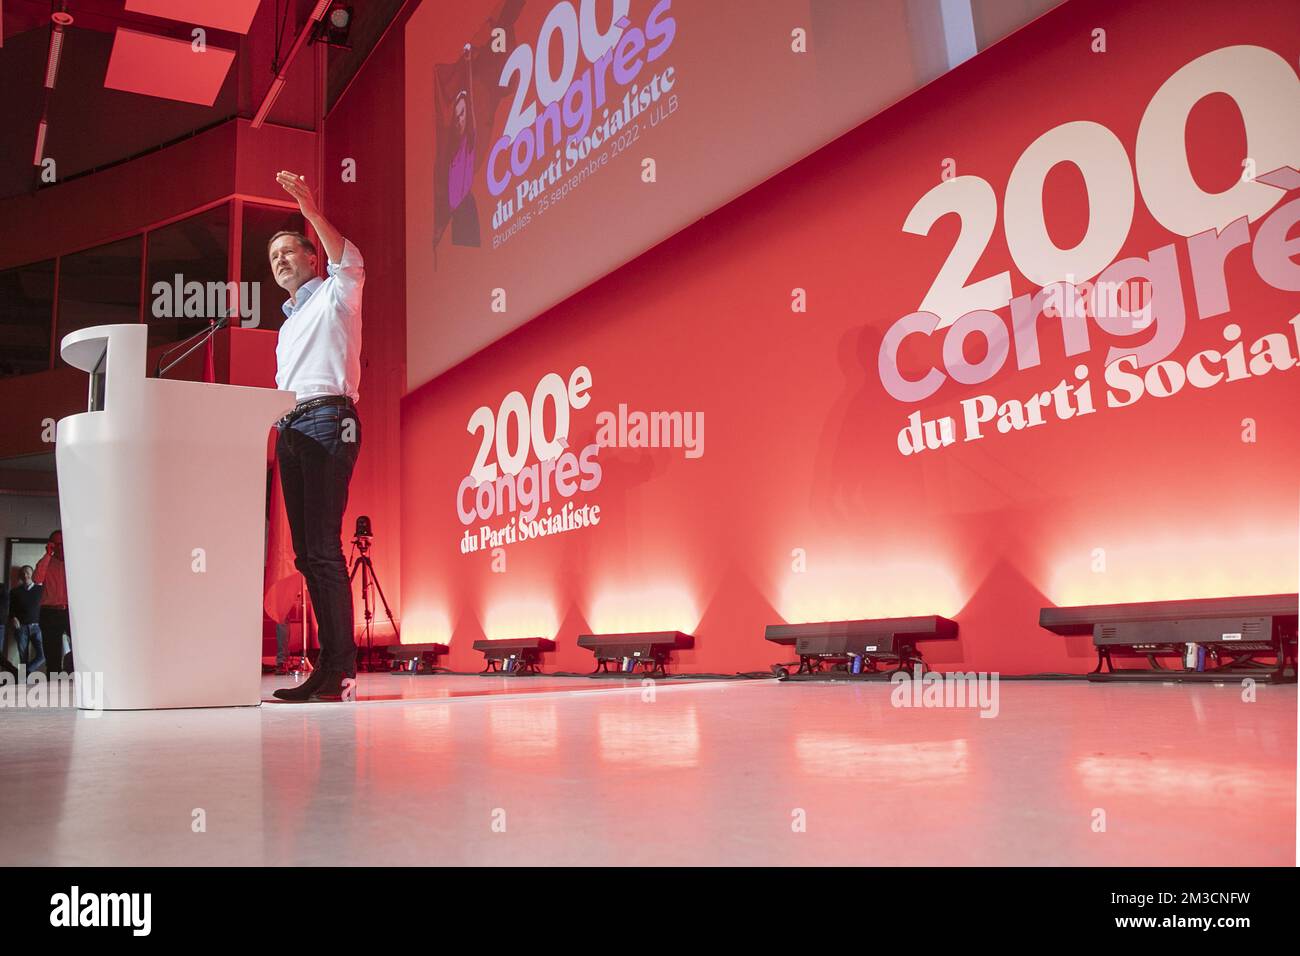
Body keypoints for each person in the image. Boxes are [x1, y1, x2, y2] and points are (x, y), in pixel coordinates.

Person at [267, 170, 362, 703]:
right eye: (272, 256)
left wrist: (309, 208)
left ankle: (340, 671)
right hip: (292, 428)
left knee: (323, 548)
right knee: (306, 554)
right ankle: (328, 667)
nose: (279, 260)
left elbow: (349, 258)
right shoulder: (284, 326)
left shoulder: (337, 293)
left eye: (288, 251)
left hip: (330, 419)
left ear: (312, 258)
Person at [33, 531, 71, 674]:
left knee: (83, 650)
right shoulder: (46, 562)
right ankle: (53, 690)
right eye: (57, 544)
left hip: (71, 612)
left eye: (63, 543)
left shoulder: (75, 561)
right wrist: (48, 554)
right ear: (51, 545)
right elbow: (37, 579)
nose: (60, 547)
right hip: (50, 613)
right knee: (52, 656)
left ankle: (80, 682)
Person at [9, 564, 45, 676]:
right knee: (23, 658)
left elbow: (46, 608)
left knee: (43, 655)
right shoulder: (14, 592)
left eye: (28, 572)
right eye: (23, 573)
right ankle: (22, 683)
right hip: (21, 628)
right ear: (20, 576)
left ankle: (22, 674)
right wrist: (13, 618)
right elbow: (10, 609)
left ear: (32, 574)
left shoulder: (41, 590)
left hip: (37, 627)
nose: (25, 575)